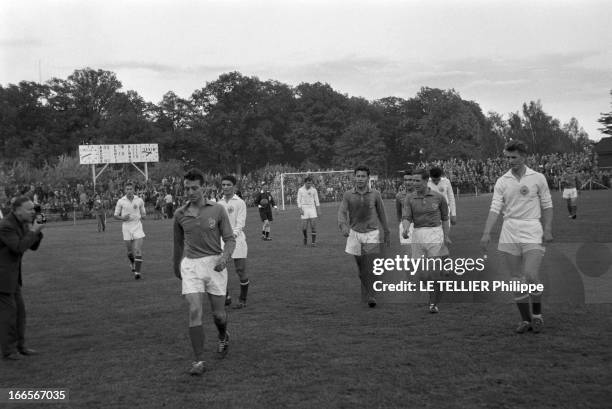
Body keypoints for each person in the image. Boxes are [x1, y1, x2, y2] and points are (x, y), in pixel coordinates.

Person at [480, 140, 553, 334]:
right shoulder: (502, 181)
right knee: (515, 279)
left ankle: (537, 315)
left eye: (514, 157)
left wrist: (547, 229)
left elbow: (547, 205)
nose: (510, 161)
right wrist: (487, 232)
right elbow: (495, 208)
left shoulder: (538, 178)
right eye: (507, 157)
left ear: (524, 156)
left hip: (532, 230)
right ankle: (525, 320)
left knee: (530, 274)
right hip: (509, 230)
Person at [173, 169, 236, 376]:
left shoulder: (217, 210)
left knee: (218, 315)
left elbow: (229, 239)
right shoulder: (180, 214)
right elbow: (178, 244)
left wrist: (224, 258)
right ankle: (198, 360)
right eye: (187, 188)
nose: (190, 192)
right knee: (194, 311)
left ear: (204, 187)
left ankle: (223, 335)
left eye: (195, 188)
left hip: (215, 264)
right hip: (191, 266)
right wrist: (176, 267)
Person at [338, 165, 390, 308]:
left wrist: (386, 231)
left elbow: (382, 213)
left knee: (370, 266)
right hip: (354, 234)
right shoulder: (348, 195)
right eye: (358, 176)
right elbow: (342, 212)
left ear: (368, 178)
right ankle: (369, 288)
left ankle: (371, 295)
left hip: (372, 233)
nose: (360, 179)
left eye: (363, 176)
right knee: (362, 269)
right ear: (354, 177)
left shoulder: (375, 194)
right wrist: (343, 226)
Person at [0, 196, 44, 360]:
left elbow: (32, 246)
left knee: (19, 313)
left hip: (12, 276)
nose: (33, 211)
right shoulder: (6, 226)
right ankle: (9, 351)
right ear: (17, 210)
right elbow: (18, 247)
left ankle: (20, 347)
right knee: (8, 314)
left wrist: (36, 231)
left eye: (33, 208)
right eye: (29, 209)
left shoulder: (21, 224)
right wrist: (33, 231)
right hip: (2, 277)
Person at [402, 169, 451, 313]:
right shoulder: (409, 198)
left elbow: (445, 218)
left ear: (425, 180)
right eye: (413, 180)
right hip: (417, 235)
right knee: (422, 275)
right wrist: (405, 229)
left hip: (435, 234)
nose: (414, 183)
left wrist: (446, 235)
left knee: (433, 273)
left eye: (417, 181)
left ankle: (433, 303)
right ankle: (435, 287)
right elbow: (407, 217)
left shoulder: (438, 197)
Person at [218, 175, 250, 309]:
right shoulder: (218, 204)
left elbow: (240, 223)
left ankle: (243, 299)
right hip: (221, 241)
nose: (225, 187)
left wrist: (231, 236)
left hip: (237, 240)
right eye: (223, 185)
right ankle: (226, 296)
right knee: (220, 269)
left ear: (234, 186)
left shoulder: (240, 202)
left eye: (228, 184)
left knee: (240, 270)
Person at [113, 182, 146, 280]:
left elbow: (143, 213)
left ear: (134, 190)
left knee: (137, 250)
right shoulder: (120, 201)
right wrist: (122, 217)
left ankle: (137, 272)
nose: (129, 191)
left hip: (137, 226)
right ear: (124, 190)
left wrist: (143, 216)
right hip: (126, 227)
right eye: (127, 189)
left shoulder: (139, 200)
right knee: (130, 252)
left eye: (131, 189)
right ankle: (132, 262)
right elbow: (115, 215)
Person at [297, 176, 321, 247]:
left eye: (310, 183)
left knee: (313, 225)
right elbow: (298, 200)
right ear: (305, 183)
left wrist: (318, 210)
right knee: (304, 227)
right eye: (308, 183)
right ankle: (305, 237)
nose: (309, 185)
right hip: (304, 208)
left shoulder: (314, 190)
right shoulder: (300, 190)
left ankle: (313, 242)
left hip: (312, 208)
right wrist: (300, 209)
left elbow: (317, 201)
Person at [396, 173, 415, 250]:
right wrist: (402, 224)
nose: (407, 182)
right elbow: (398, 212)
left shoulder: (421, 194)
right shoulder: (399, 195)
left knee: (422, 257)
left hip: (420, 226)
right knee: (408, 255)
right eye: (405, 180)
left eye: (410, 180)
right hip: (406, 226)